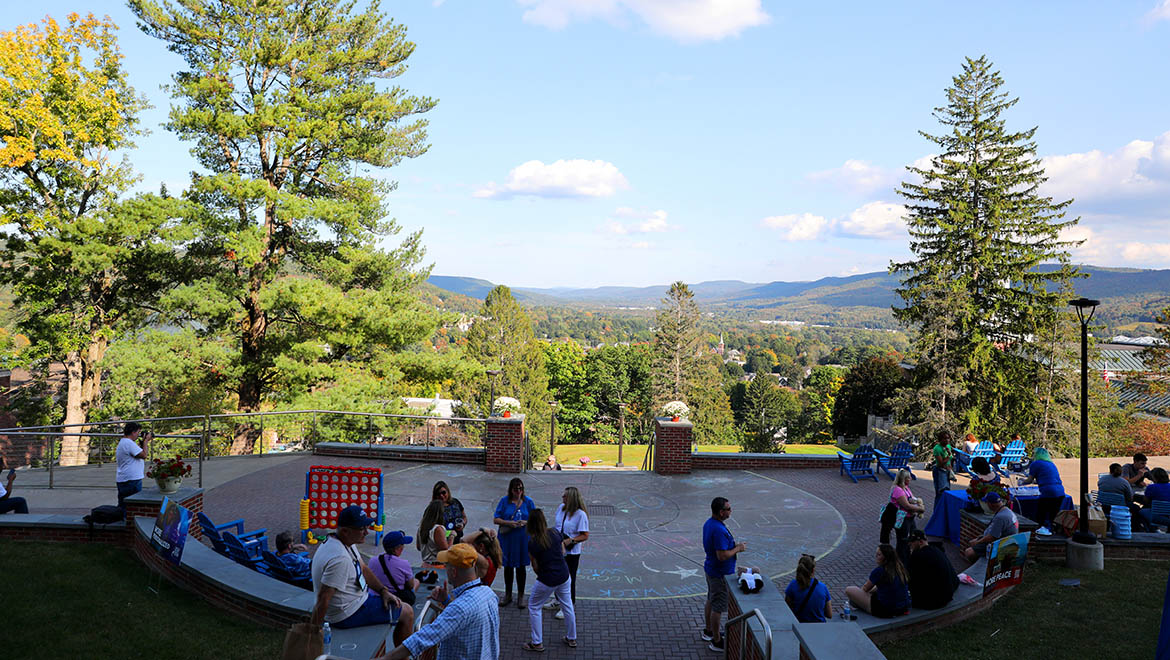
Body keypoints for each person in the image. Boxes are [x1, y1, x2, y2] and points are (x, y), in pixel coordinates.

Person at [310, 505, 413, 645]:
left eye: (367, 526)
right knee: (407, 612)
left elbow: (363, 569)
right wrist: (313, 635)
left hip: (356, 600)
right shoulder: (340, 559)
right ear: (345, 531)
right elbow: (323, 598)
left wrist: (383, 591)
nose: (366, 532)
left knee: (396, 603)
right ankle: (403, 658)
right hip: (347, 613)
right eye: (361, 528)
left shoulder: (341, 541)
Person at [381, 543, 500, 660]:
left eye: (446, 566)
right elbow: (465, 619)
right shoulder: (489, 594)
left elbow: (425, 638)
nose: (445, 570)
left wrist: (385, 658)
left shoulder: (460, 607)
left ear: (453, 572)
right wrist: (446, 600)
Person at [522, 508, 577, 652]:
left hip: (547, 578)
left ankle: (537, 642)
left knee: (534, 606)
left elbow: (535, 566)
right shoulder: (554, 533)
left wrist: (542, 573)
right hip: (564, 575)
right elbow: (563, 550)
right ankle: (571, 638)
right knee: (567, 605)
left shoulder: (533, 543)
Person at [702, 496, 746, 653]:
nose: (730, 511)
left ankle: (708, 631)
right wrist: (738, 548)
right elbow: (722, 555)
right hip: (719, 574)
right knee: (718, 607)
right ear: (721, 512)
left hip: (711, 570)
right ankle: (716, 640)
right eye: (728, 509)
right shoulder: (719, 530)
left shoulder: (710, 523)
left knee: (711, 599)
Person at [493, 477, 535, 608]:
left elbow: (535, 519)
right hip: (508, 540)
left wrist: (525, 522)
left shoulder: (528, 502)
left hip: (522, 540)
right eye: (516, 489)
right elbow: (496, 519)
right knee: (508, 567)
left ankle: (521, 596)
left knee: (521, 567)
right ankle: (508, 594)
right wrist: (509, 523)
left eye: (521, 489)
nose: (518, 491)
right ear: (511, 490)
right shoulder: (504, 501)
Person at [552, 485, 589, 619]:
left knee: (568, 579)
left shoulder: (581, 515)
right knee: (557, 575)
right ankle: (557, 600)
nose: (562, 497)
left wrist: (570, 541)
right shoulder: (560, 508)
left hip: (571, 553)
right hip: (558, 548)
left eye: (565, 496)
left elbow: (584, 535)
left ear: (571, 499)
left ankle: (568, 605)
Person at [844, 544, 910, 618]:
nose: (876, 557)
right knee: (874, 591)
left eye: (879, 555)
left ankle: (861, 605)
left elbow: (865, 588)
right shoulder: (900, 568)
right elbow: (883, 586)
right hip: (902, 608)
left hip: (885, 610)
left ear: (886, 557)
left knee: (849, 590)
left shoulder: (880, 571)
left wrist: (860, 598)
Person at [880, 469, 924, 566]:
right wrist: (919, 508)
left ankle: (908, 558)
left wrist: (917, 502)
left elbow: (911, 498)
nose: (910, 479)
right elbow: (906, 505)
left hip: (910, 518)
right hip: (903, 519)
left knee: (913, 536)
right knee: (903, 540)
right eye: (908, 477)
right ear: (903, 479)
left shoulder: (906, 488)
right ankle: (900, 561)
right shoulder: (897, 490)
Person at [905, 530, 958, 610]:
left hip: (933, 602)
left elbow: (910, 579)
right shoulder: (937, 550)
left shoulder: (918, 556)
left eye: (912, 543)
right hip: (947, 595)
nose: (910, 545)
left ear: (920, 542)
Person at [1019, 447, 1064, 536]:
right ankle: (1052, 530)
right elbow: (1047, 478)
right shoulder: (1051, 464)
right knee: (1053, 515)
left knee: (1041, 513)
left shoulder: (1035, 464)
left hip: (1048, 492)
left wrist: (1021, 482)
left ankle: (1040, 531)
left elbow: (1029, 480)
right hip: (1060, 491)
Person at [962, 492, 1018, 562]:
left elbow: (992, 537)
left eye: (987, 502)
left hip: (1001, 545)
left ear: (991, 504)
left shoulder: (1000, 517)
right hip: (1005, 541)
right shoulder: (1007, 511)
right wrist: (979, 538)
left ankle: (977, 569)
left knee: (969, 552)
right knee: (974, 541)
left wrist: (977, 542)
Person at [369, 530, 419, 607]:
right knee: (416, 582)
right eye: (402, 544)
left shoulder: (372, 560)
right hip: (396, 598)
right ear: (397, 548)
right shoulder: (404, 564)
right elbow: (411, 585)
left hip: (375, 595)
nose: (403, 547)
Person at [1099, 464, 1150, 532]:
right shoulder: (1124, 482)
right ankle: (1135, 528)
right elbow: (1130, 498)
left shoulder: (1102, 479)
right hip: (1120, 508)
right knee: (1136, 508)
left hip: (1104, 506)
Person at [784, 554, 832, 623]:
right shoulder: (822, 587)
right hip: (820, 627)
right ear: (813, 570)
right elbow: (829, 615)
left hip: (799, 627)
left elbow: (787, 609)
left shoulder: (792, 585)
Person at [115, 422, 151, 509]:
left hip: (124, 479)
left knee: (124, 506)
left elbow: (138, 452)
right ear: (133, 432)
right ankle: (128, 521)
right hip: (131, 480)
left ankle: (124, 520)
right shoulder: (128, 443)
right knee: (134, 506)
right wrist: (146, 441)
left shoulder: (124, 442)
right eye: (138, 432)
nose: (138, 435)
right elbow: (144, 455)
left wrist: (143, 442)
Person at [417, 499, 452, 574]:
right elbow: (445, 551)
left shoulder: (421, 528)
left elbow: (419, 547)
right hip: (437, 568)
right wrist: (452, 537)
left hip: (425, 566)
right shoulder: (438, 529)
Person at [931, 431, 956, 504]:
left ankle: (944, 512)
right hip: (940, 471)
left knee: (947, 491)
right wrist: (949, 455)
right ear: (940, 439)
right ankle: (937, 513)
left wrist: (950, 469)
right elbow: (940, 463)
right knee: (940, 493)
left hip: (947, 470)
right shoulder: (937, 448)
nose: (947, 440)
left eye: (948, 438)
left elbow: (950, 461)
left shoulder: (948, 446)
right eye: (945, 438)